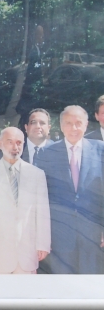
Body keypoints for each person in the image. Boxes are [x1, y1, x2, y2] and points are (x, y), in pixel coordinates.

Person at [34, 105, 104, 274]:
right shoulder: (45, 154)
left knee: (92, 290)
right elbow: (40, 198)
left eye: (78, 123)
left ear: (86, 124)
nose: (74, 128)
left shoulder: (101, 150)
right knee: (63, 290)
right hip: (59, 237)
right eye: (68, 123)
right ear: (61, 125)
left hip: (93, 236)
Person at [0, 127, 51, 274]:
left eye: (19, 143)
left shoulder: (36, 174)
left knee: (26, 295)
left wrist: (43, 244)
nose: (15, 147)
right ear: (0, 143)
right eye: (9, 142)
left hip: (27, 253)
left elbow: (42, 213)